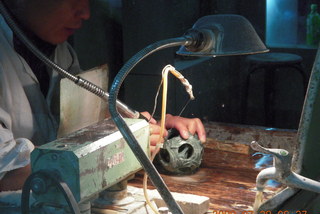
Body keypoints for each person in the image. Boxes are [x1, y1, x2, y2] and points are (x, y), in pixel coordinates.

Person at [0, 0, 206, 191]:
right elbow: (9, 171)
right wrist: (117, 149)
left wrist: (145, 127)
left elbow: (79, 126)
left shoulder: (59, 52)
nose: (86, 13)